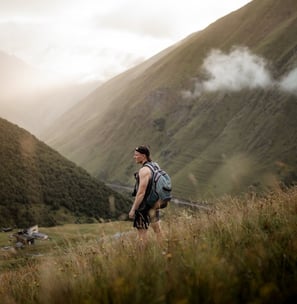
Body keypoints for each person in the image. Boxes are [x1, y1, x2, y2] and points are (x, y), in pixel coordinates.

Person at [129, 145, 162, 243]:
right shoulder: (155, 165)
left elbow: (141, 193)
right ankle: (164, 248)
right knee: (158, 230)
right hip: (154, 203)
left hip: (143, 206)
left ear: (143, 156)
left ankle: (142, 256)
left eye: (136, 155)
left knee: (141, 235)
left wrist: (133, 209)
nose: (134, 157)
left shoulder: (144, 170)